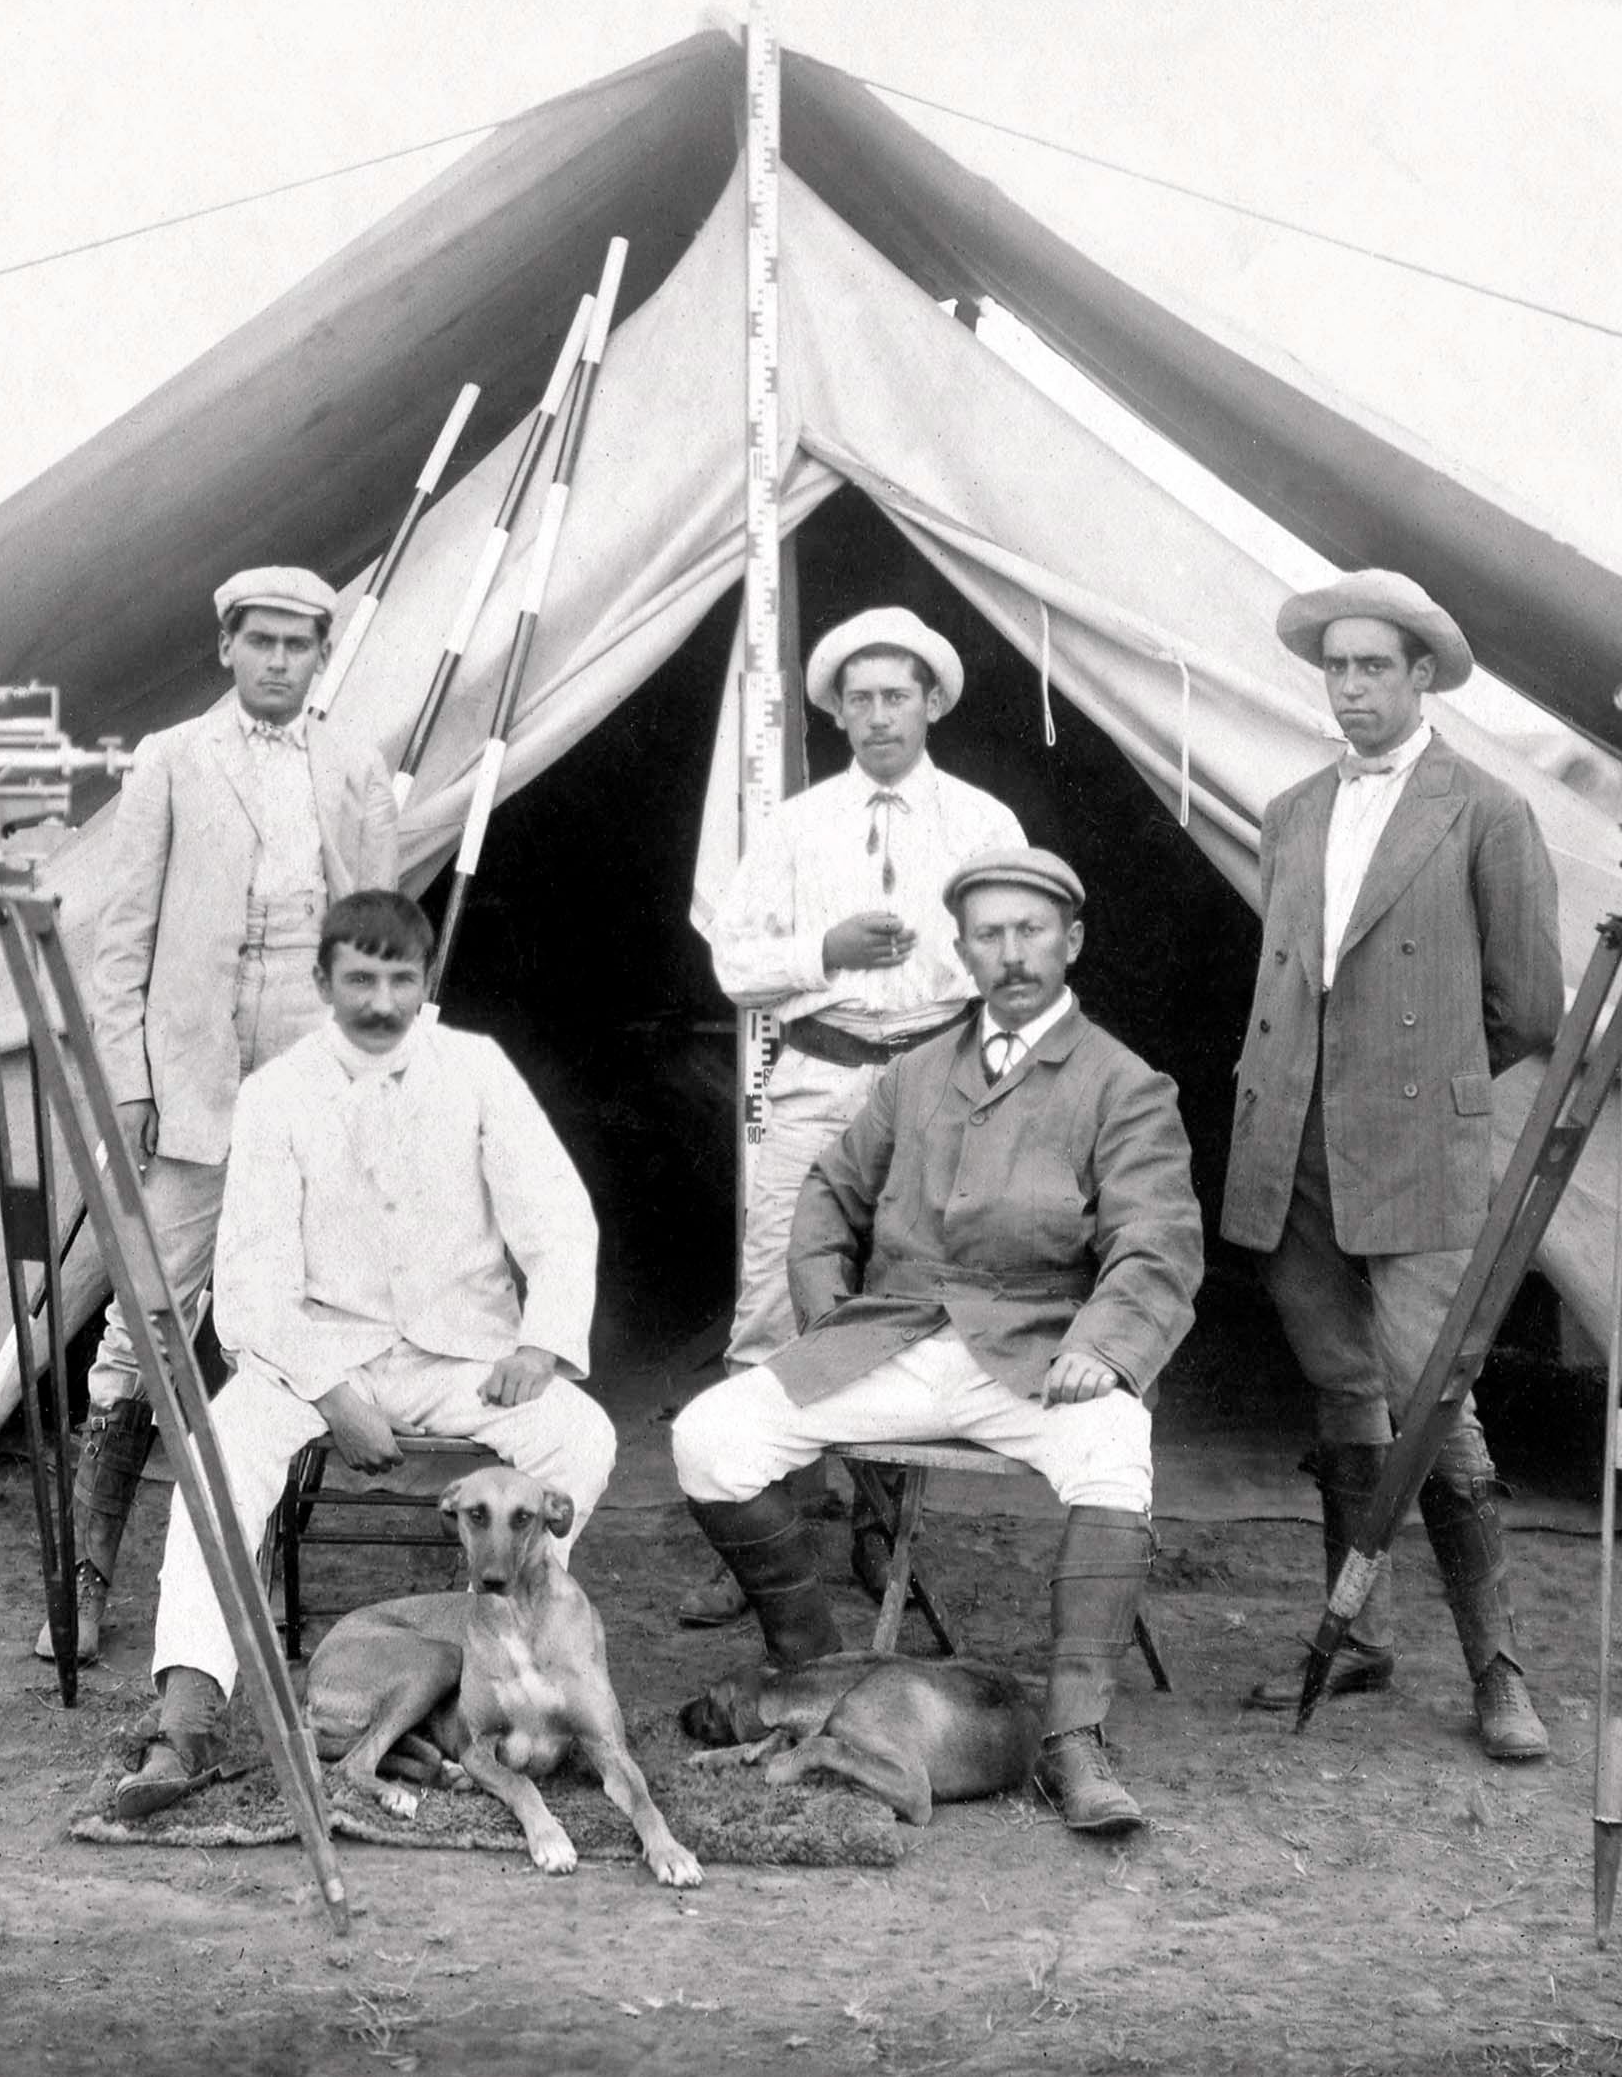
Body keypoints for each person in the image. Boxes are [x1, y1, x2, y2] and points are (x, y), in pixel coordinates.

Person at [671, 847, 1204, 1835]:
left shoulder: (1123, 1084)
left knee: (1114, 1449)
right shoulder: (914, 1074)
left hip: (1038, 1345)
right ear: (961, 950)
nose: (1010, 954)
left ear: (1071, 939)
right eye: (989, 934)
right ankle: (812, 1668)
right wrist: (829, 1304)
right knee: (710, 1436)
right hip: (899, 1335)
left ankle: (1072, 1739)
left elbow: (1156, 1241)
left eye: (1030, 930)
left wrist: (1107, 1344)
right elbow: (828, 1190)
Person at [119, 890, 617, 1815]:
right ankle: (184, 1721)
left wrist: (544, 1341)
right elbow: (252, 1282)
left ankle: (507, 1669)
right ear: (322, 982)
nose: (380, 1002)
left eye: (399, 979)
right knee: (216, 1453)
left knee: (579, 1437)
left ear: (425, 979)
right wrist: (331, 1391)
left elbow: (557, 1216)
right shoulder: (276, 1094)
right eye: (358, 979)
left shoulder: (477, 1069)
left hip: (457, 1353)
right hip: (315, 1353)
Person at [1222, 569, 1565, 1763]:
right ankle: (1354, 1633)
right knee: (1340, 1386)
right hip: (1294, 1140)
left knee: (1433, 1393)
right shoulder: (1287, 811)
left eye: (1374, 666)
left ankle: (1498, 1666)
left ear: (1422, 676)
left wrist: (1414, 1080)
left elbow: (1525, 1005)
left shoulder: (1484, 811)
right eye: (1336, 666)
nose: (1351, 686)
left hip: (1418, 1141)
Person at [38, 565, 399, 1662]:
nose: (280, 661)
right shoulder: (171, 759)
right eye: (262, 642)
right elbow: (121, 936)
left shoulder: (354, 765)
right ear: (227, 649)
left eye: (299, 644)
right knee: (146, 1312)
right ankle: (88, 1576)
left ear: (321, 656)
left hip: (307, 1065)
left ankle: (259, 1564)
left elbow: (379, 944)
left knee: (304, 1306)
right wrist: (134, 1080)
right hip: (190, 1071)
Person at [690, 607, 1025, 1624]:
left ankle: (881, 1523)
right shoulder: (793, 826)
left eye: (897, 695)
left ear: (930, 704)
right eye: (860, 698)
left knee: (913, 1286)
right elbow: (734, 963)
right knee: (775, 1296)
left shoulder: (981, 822)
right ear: (835, 712)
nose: (879, 715)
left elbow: (1023, 960)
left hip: (934, 1078)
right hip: (818, 1076)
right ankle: (763, 1538)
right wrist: (823, 950)